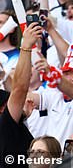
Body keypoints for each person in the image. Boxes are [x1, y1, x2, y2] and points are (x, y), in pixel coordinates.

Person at [0, 23, 41, 165]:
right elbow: (19, 89)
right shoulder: (4, 124)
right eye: (8, 101)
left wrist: (23, 117)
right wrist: (26, 46)